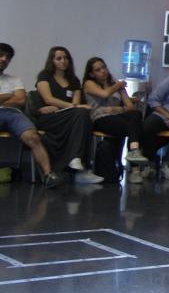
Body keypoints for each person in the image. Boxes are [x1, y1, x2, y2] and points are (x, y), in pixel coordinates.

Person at [33, 46, 102, 184]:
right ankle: (79, 164)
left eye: (66, 58)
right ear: (52, 60)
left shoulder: (73, 80)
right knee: (81, 114)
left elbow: (75, 102)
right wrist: (73, 106)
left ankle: (77, 160)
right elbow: (48, 99)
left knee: (83, 115)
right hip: (48, 117)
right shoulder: (44, 75)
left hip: (67, 116)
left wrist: (69, 106)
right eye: (58, 58)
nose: (63, 61)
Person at [0, 43, 61, 187]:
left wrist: (6, 99)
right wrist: (8, 95)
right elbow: (15, 98)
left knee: (33, 137)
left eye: (8, 57)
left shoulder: (14, 79)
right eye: (1, 55)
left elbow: (21, 100)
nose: (4, 59)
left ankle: (48, 175)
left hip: (13, 114)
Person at [83, 57, 151, 183]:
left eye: (104, 67)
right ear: (92, 74)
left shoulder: (114, 83)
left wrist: (116, 109)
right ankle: (135, 170)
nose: (103, 71)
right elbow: (104, 94)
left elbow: (129, 106)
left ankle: (134, 151)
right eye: (98, 70)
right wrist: (117, 86)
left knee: (136, 115)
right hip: (100, 118)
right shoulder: (89, 83)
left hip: (117, 115)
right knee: (135, 128)